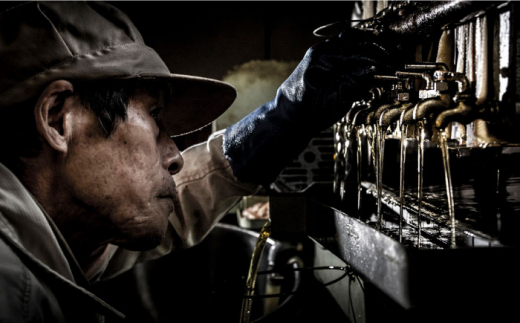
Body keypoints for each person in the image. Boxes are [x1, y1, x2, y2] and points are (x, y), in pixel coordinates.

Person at [0, 1, 396, 322]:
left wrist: (284, 119)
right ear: (58, 120)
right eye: (154, 117)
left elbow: (175, 203)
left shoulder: (55, 234)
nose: (173, 157)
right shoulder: (11, 291)